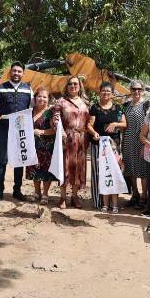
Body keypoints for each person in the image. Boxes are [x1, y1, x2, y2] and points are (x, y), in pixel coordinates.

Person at [0, 62, 33, 202]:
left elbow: (32, 108)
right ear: (10, 72)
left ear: (23, 74)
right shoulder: (1, 87)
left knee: (19, 160)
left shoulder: (28, 89)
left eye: (19, 71)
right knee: (3, 160)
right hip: (4, 128)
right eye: (14, 71)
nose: (16, 74)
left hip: (20, 129)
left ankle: (17, 190)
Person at [88, 82, 127, 213]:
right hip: (97, 145)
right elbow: (89, 125)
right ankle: (99, 201)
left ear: (112, 94)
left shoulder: (118, 108)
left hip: (113, 146)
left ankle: (113, 203)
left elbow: (124, 124)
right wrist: (94, 133)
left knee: (114, 172)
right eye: (103, 91)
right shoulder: (94, 107)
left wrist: (115, 124)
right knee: (98, 172)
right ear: (99, 92)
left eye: (108, 91)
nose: (105, 93)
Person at [52, 76, 90, 209]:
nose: (73, 86)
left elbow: (89, 120)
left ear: (80, 86)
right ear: (66, 86)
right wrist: (61, 131)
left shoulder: (85, 102)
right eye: (70, 84)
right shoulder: (61, 101)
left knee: (79, 168)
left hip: (82, 140)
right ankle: (62, 197)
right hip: (66, 139)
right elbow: (56, 119)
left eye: (75, 84)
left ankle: (74, 197)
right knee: (65, 167)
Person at [120, 80, 150, 208]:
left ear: (142, 90)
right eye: (133, 89)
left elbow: (149, 125)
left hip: (142, 142)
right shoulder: (126, 105)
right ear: (130, 91)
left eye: (139, 89)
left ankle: (144, 197)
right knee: (130, 169)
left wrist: (146, 144)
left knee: (143, 170)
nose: (136, 91)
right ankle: (135, 194)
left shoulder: (147, 105)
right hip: (128, 141)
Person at [27, 86, 56, 205]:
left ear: (48, 99)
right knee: (33, 169)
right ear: (35, 98)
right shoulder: (29, 111)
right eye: (39, 96)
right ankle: (36, 192)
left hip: (47, 146)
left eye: (45, 97)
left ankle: (45, 193)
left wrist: (42, 132)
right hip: (31, 145)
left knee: (46, 171)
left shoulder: (51, 111)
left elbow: (55, 130)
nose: (41, 99)